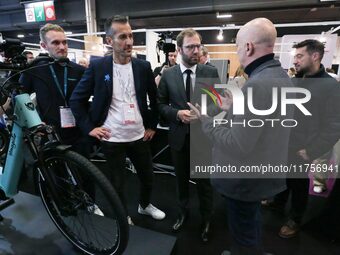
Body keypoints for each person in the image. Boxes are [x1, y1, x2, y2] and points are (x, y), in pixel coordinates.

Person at [189, 18, 294, 254]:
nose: (237, 51)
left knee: (243, 236)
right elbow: (267, 123)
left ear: (248, 47)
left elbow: (238, 144)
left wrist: (206, 122)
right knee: (251, 223)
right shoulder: (280, 76)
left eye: (237, 46)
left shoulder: (256, 85)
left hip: (244, 179)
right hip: (261, 174)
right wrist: (235, 108)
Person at [69, 15, 165, 224]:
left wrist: (152, 125)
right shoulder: (98, 67)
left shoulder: (143, 66)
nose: (129, 41)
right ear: (110, 41)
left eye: (131, 36)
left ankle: (145, 205)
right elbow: (76, 100)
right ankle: (123, 215)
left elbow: (154, 98)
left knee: (148, 177)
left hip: (139, 135)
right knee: (117, 183)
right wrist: (90, 128)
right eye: (123, 37)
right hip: (112, 137)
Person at [273, 39, 340, 239]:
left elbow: (334, 125)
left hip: (304, 148)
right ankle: (278, 203)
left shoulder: (330, 87)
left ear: (315, 56)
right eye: (295, 56)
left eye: (299, 56)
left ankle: (295, 218)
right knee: (282, 176)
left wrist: (311, 150)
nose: (295, 60)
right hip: (286, 142)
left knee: (299, 184)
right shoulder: (295, 81)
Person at [158, 28, 220, 242]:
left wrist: (204, 113)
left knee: (204, 183)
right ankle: (183, 213)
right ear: (179, 49)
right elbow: (160, 105)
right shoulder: (168, 75)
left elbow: (218, 104)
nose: (196, 50)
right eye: (190, 47)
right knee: (181, 181)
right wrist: (176, 114)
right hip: (179, 138)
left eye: (198, 46)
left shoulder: (209, 72)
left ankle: (207, 219)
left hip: (203, 138)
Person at [19, 23, 86, 152]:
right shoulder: (34, 70)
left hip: (79, 134)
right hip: (50, 134)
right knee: (56, 171)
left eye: (64, 42)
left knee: (84, 170)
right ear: (44, 46)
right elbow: (20, 96)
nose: (62, 47)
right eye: (55, 43)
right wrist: (33, 122)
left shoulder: (79, 70)